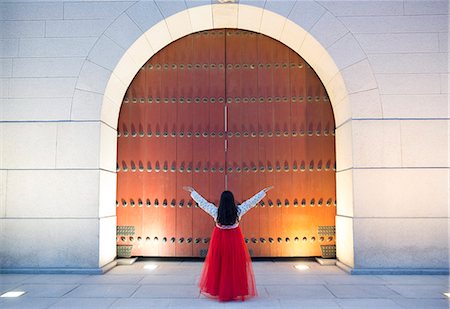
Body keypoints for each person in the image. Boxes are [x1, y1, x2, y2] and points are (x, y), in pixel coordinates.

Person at [182, 185, 274, 302]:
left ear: (221, 201)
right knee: (234, 265)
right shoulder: (238, 211)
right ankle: (234, 290)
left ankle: (220, 289)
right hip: (234, 241)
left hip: (219, 241)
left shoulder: (216, 212)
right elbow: (251, 202)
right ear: (232, 201)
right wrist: (262, 192)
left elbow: (203, 204)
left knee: (220, 265)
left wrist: (193, 192)